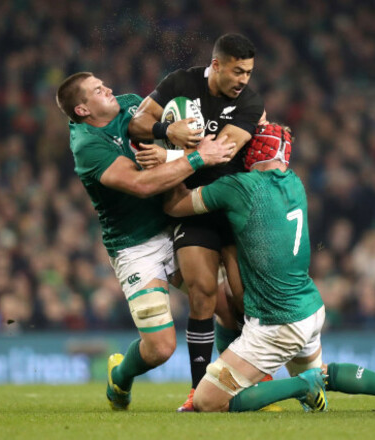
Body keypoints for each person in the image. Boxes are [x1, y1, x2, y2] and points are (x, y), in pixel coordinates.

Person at [162, 123, 375, 412]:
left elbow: (175, 206)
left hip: (276, 321)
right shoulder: (295, 183)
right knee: (322, 371)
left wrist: (180, 161)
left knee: (209, 401)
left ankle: (302, 386)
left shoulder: (239, 188)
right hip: (308, 307)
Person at [55, 72, 235, 411]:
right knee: (160, 349)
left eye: (102, 82)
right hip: (135, 246)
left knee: (225, 305)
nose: (107, 87)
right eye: (97, 89)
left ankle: (222, 389)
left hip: (174, 221)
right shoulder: (87, 147)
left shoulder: (128, 105)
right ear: (82, 110)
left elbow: (162, 123)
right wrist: (197, 157)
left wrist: (170, 136)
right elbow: (141, 185)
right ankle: (120, 376)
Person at [128, 33, 265, 411]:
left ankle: (248, 384)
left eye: (249, 72)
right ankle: (199, 390)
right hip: (191, 205)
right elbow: (137, 124)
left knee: (244, 302)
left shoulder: (251, 103)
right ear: (217, 65)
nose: (244, 80)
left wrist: (169, 153)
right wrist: (166, 131)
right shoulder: (179, 83)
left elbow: (222, 151)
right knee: (203, 292)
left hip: (236, 211)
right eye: (238, 71)